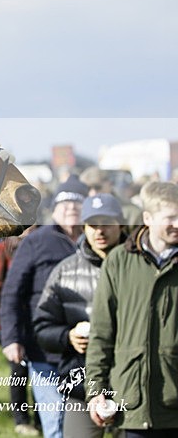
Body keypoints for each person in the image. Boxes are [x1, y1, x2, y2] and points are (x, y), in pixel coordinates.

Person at [86, 181, 178, 436]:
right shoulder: (118, 261)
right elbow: (102, 333)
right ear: (147, 218)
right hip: (133, 405)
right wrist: (96, 391)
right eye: (170, 217)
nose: (177, 224)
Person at [0, 175, 89, 438]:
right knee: (56, 422)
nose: (71, 210)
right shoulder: (36, 242)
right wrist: (11, 338)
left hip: (86, 350)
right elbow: (12, 292)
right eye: (65, 205)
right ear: (54, 210)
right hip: (43, 349)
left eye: (77, 205)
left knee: (82, 425)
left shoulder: (96, 242)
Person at [33, 193, 126, 438]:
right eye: (92, 224)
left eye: (106, 222)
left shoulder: (139, 267)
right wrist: (67, 336)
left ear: (122, 224)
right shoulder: (64, 271)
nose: (99, 231)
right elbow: (42, 327)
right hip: (81, 384)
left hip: (131, 382)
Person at [0, 231, 40, 436]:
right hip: (14, 320)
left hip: (36, 319)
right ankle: (21, 419)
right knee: (19, 370)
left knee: (41, 373)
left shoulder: (40, 244)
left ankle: (41, 418)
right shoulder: (2, 249)